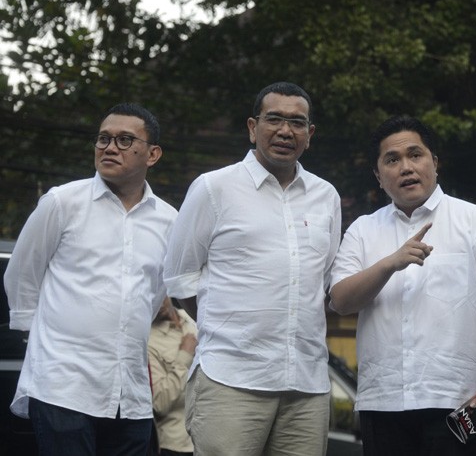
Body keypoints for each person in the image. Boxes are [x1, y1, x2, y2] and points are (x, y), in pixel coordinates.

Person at [163, 82, 341, 456]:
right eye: (273, 119)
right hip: (231, 380)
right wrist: (232, 331)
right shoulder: (214, 188)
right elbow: (181, 277)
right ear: (252, 127)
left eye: (296, 122)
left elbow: (322, 282)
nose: (284, 130)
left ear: (310, 135)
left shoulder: (326, 196)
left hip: (306, 385)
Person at [329, 115, 476, 456]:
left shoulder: (474, 221)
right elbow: (341, 300)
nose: (406, 167)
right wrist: (390, 262)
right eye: (392, 160)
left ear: (435, 162)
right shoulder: (362, 230)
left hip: (460, 398)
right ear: (378, 175)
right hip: (382, 400)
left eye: (415, 155)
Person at [4, 103, 177, 456]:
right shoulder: (62, 202)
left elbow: (156, 291)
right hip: (63, 384)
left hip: (130, 392)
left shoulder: (170, 221)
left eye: (125, 140)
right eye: (103, 139)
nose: (110, 147)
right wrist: (33, 335)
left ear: (153, 154)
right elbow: (23, 272)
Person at [149, 297, 198, 456]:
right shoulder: (149, 341)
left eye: (158, 293)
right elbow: (159, 403)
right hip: (177, 445)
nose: (156, 300)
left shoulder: (195, 317)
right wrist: (185, 356)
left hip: (212, 435)